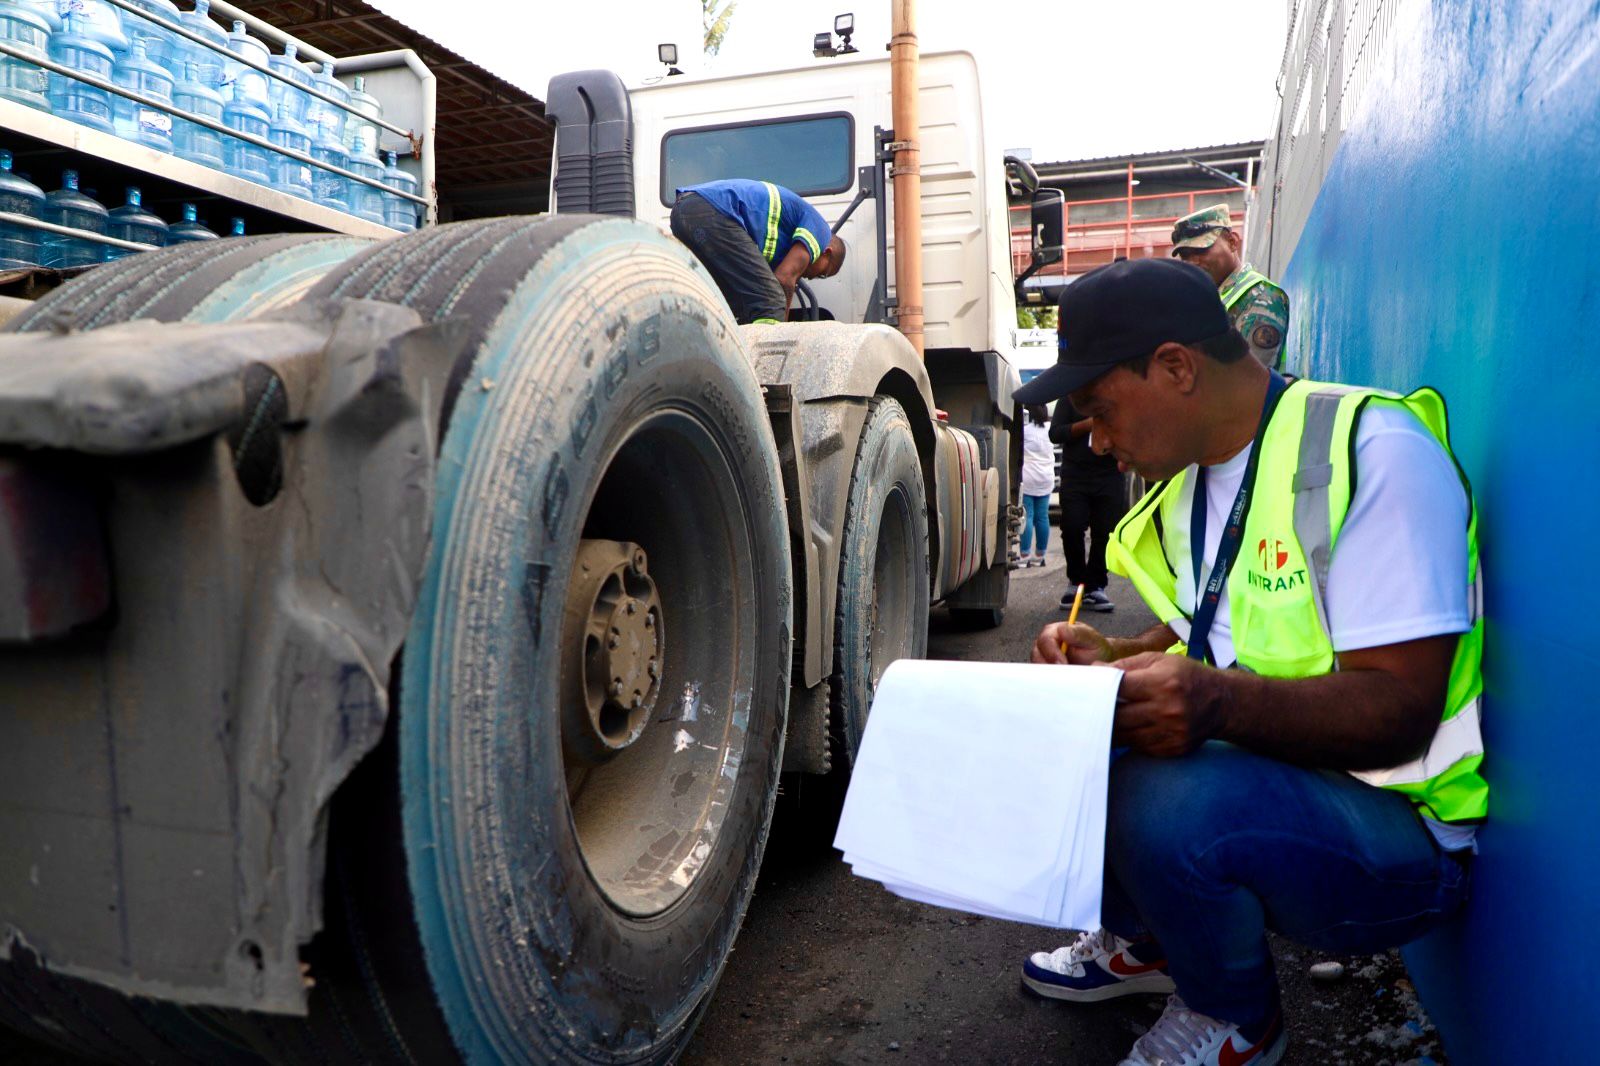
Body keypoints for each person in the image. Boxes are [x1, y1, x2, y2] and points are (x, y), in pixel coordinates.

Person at [1009, 258, 1485, 1066]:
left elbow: (1403, 710)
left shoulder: (1372, 451)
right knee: (1078, 730)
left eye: (1098, 411)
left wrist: (1215, 704)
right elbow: (1214, 630)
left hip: (1400, 838)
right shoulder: (1192, 473)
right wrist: (1114, 654)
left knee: (1157, 791)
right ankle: (1151, 945)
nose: (1095, 440)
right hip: (1283, 782)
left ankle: (1235, 1018)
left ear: (1175, 368)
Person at [669, 178, 847, 324]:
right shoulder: (821, 231)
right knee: (771, 300)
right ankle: (766, 367)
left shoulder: (787, 240)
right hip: (712, 210)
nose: (812, 278)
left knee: (732, 304)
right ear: (827, 252)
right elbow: (785, 278)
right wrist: (782, 330)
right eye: (823, 273)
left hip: (684, 211)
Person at [1169, 204, 1289, 369]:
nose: (1193, 262)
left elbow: (1250, 378)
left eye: (1202, 250)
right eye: (1186, 255)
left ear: (1232, 242)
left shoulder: (1260, 296)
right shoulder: (1207, 301)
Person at [1049, 393, 1122, 612]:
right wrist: (1088, 425)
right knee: (1072, 526)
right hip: (1076, 474)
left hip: (1109, 474)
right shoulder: (1071, 397)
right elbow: (1056, 433)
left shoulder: (1118, 397)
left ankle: (1096, 585)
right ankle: (1076, 583)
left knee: (1105, 531)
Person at [1017, 403, 1054, 567]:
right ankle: (1040, 555)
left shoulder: (1026, 431)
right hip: (1046, 478)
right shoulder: (1050, 429)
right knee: (1042, 517)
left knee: (1028, 517)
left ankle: (1024, 556)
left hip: (1029, 477)